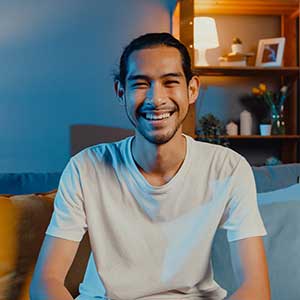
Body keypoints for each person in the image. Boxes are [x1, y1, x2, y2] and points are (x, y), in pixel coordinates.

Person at [30, 32, 270, 300]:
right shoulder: (85, 168)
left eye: (170, 82)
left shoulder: (229, 167)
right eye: (141, 84)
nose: (156, 99)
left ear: (191, 90)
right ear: (121, 92)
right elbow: (46, 282)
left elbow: (256, 288)